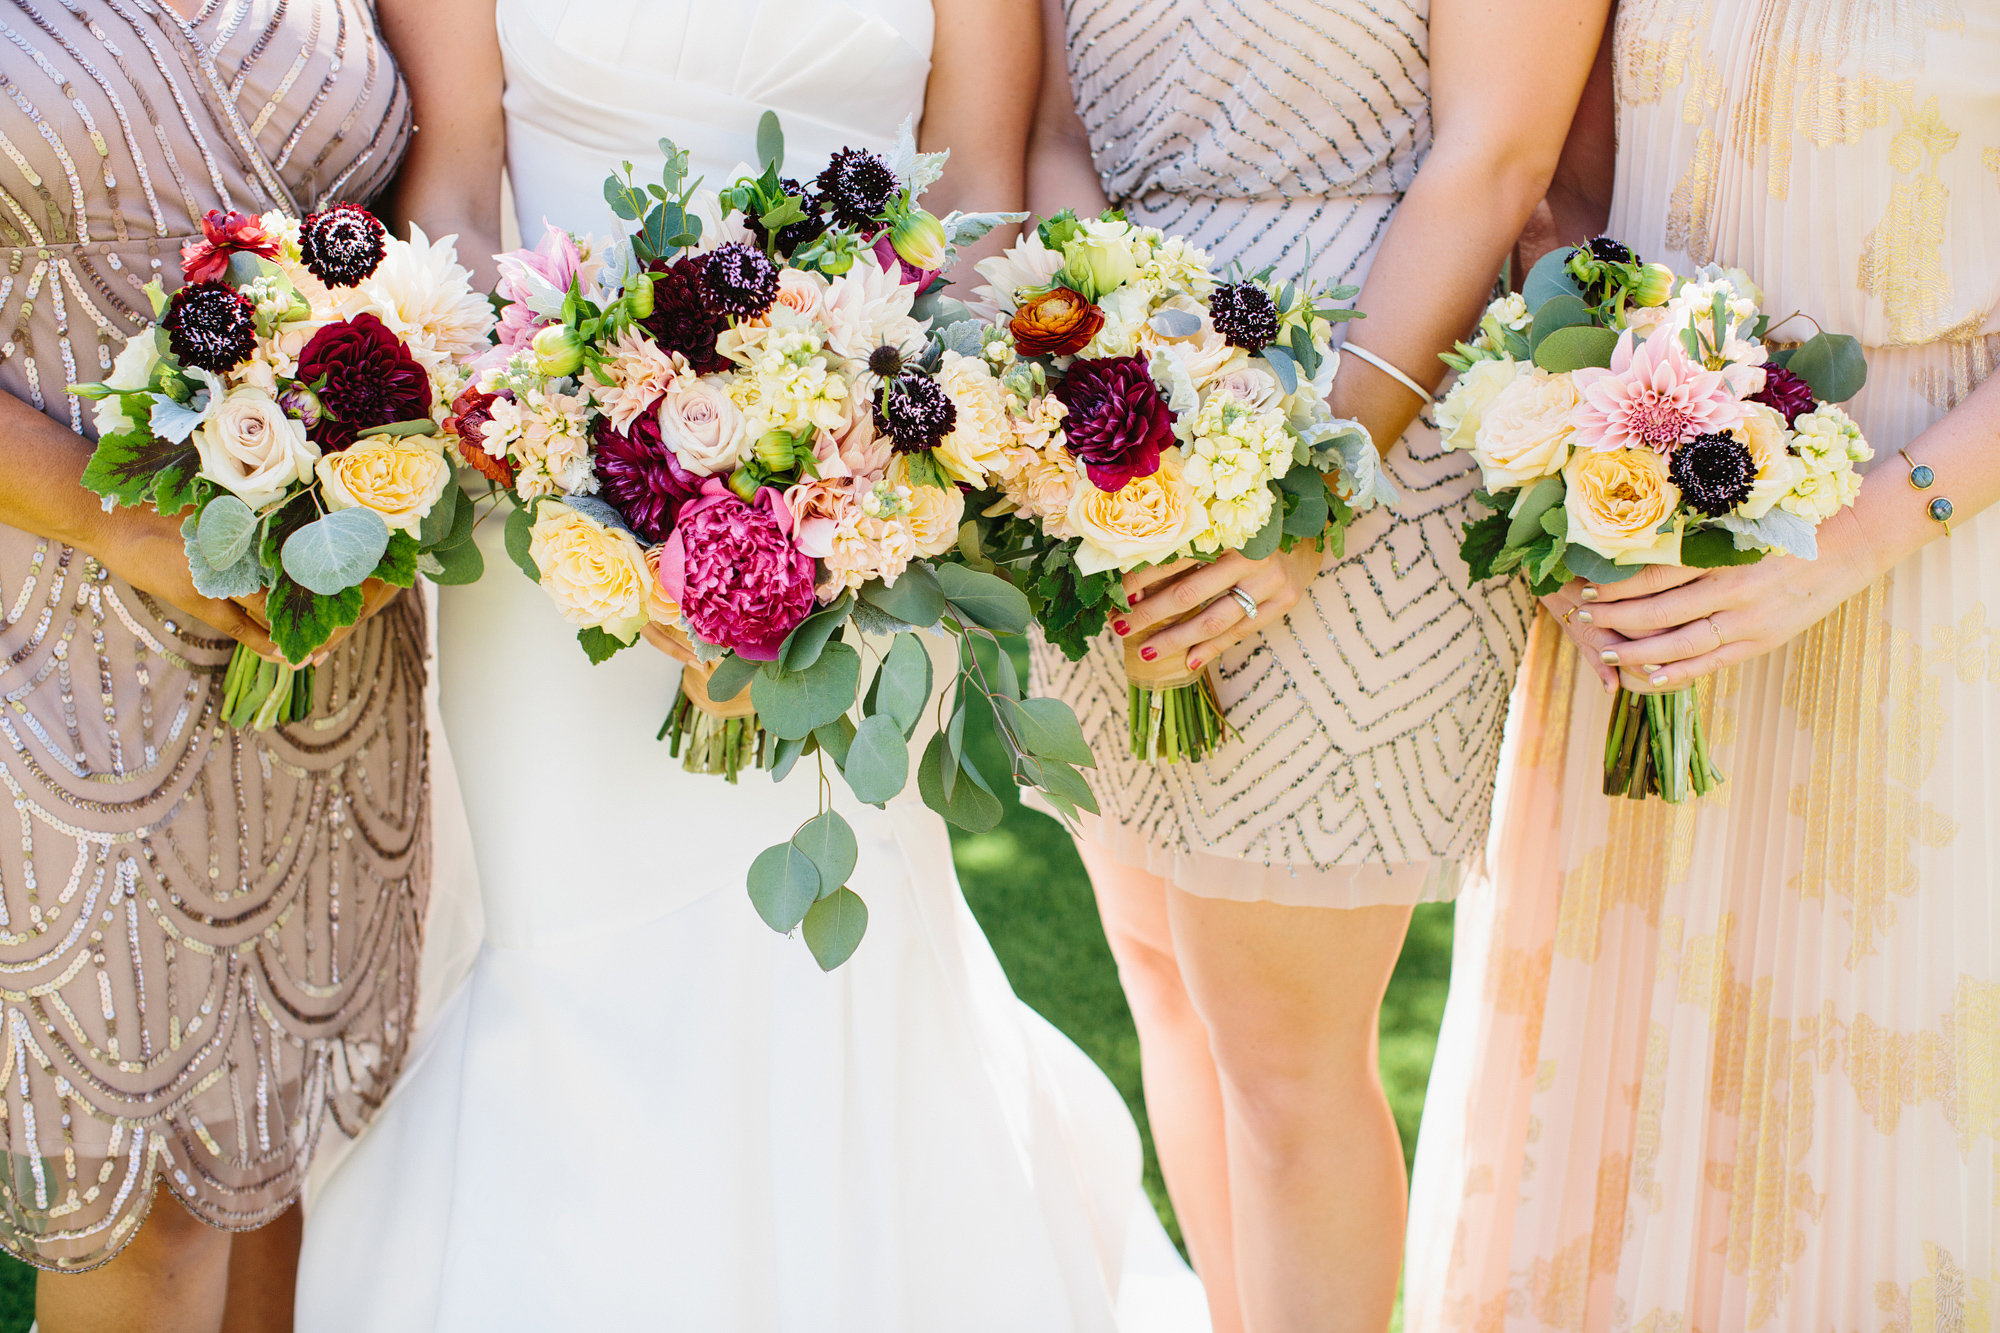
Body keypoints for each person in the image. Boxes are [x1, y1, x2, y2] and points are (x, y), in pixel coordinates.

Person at [294, 1, 1204, 1328]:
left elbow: (980, 216)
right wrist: (592, 456)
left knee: (825, 971)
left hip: (869, 513)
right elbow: (454, 210)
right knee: (574, 964)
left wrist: (843, 492)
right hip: (557, 536)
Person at [1405, 4, 2000, 1329]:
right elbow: (1567, 196)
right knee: (1616, 1094)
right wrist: (1566, 444)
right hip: (1653, 551)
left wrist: (1852, 539)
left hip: (1928, 566)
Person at [1024, 3, 1612, 1329]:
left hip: (1373, 422)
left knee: (1288, 1058)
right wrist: (1099, 363)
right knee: (1161, 972)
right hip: (1118, 428)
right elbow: (1055, 134)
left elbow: (1499, 157)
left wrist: (1311, 481)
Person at [0, 0, 469, 1329]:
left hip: (318, 626)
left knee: (281, 1177)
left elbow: (438, 193)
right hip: (51, 617)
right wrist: (108, 516)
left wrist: (397, 406)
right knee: (142, 1218)